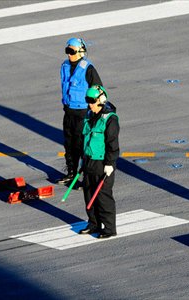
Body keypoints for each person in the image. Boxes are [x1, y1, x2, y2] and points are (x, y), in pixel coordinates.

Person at [58, 37, 103, 184]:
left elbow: (98, 89)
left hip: (83, 113)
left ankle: (86, 178)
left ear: (80, 51)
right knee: (69, 144)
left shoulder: (88, 68)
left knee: (83, 145)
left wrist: (97, 111)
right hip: (68, 112)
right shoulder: (64, 66)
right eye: (67, 51)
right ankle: (71, 173)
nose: (69, 54)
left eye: (71, 51)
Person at [78, 85, 119, 239]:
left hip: (103, 163)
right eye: (87, 100)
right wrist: (83, 160)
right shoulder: (89, 116)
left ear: (101, 100)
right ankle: (93, 223)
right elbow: (85, 139)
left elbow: (112, 144)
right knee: (89, 193)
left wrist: (110, 163)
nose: (89, 104)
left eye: (92, 101)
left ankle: (109, 228)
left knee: (102, 195)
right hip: (89, 161)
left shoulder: (110, 119)